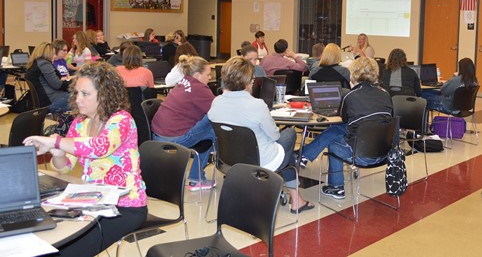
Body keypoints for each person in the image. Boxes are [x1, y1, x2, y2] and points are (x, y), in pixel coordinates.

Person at [23, 62, 147, 256]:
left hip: (125, 206)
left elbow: (100, 147)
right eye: (77, 93)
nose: (78, 100)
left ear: (105, 94)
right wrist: (58, 154)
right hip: (94, 201)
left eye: (85, 94)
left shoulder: (121, 120)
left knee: (67, 251)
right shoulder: (80, 123)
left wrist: (56, 142)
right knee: (49, 243)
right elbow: (64, 167)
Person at [208, 56, 314, 213]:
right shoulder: (257, 105)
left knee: (286, 152)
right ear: (248, 81)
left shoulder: (216, 102)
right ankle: (296, 200)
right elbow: (275, 136)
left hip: (228, 160)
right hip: (261, 161)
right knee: (289, 135)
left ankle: (296, 199)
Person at [299, 57, 393, 199]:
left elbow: (343, 119)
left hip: (361, 155)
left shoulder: (350, 96)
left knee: (334, 136)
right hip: (384, 153)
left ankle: (335, 187)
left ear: (353, 73)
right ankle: (304, 156)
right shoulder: (385, 94)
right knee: (339, 130)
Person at [151, 55, 216, 190]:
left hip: (158, 135)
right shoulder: (199, 88)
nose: (210, 78)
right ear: (197, 74)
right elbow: (218, 110)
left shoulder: (184, 82)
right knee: (213, 126)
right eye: (208, 74)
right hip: (175, 139)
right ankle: (196, 178)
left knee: (209, 121)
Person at [25, 42, 70, 114]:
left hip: (46, 100)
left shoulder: (35, 63)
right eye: (53, 53)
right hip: (51, 102)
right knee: (83, 100)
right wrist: (70, 83)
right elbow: (57, 85)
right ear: (48, 53)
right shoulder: (44, 64)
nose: (54, 56)